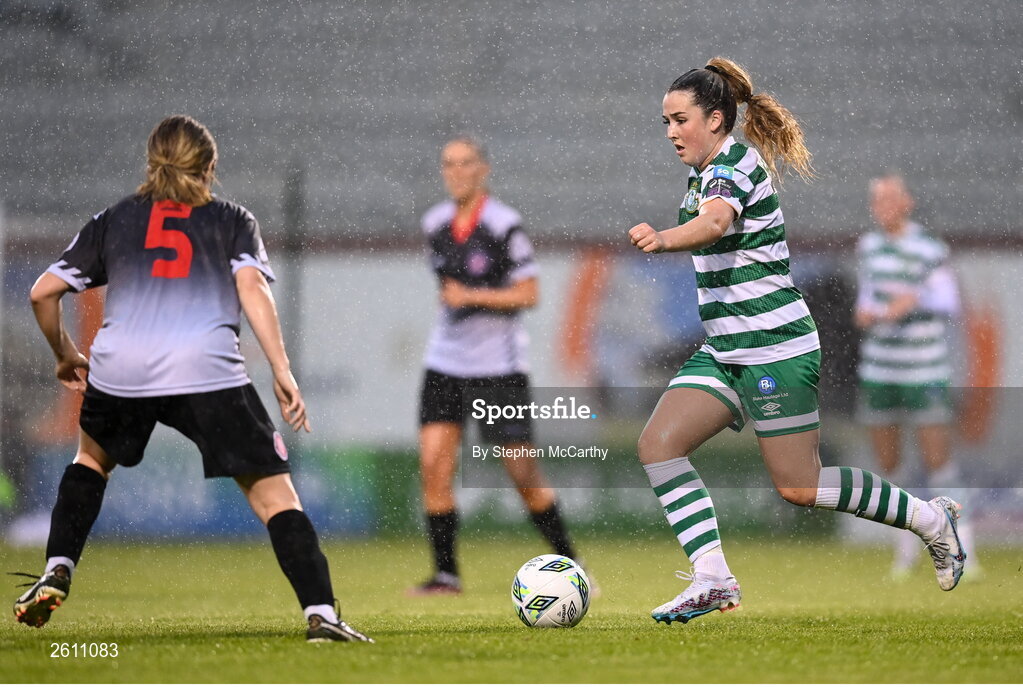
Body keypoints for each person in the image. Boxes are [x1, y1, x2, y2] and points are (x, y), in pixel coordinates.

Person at [627, 58, 966, 625]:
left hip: (773, 349)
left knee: (800, 487)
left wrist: (663, 239)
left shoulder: (732, 164)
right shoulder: (706, 168)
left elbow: (713, 225)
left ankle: (930, 520)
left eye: (679, 120)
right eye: (664, 122)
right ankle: (712, 578)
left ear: (716, 118)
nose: (671, 133)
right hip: (727, 350)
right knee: (658, 446)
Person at [12, 115, 372, 643]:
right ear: (210, 167)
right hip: (206, 370)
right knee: (276, 498)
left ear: (151, 162)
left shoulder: (114, 219)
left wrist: (66, 353)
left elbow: (43, 292)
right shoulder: (230, 219)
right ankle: (321, 614)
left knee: (91, 460)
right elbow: (252, 290)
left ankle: (58, 566)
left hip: (122, 369)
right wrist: (281, 369)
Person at [409, 136, 581, 595]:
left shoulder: (504, 225)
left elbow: (529, 294)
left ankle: (570, 562)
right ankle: (446, 574)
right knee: (433, 465)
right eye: (448, 164)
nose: (456, 172)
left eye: (465, 163)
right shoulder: (434, 224)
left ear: (483, 169)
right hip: (444, 364)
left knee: (522, 472)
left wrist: (474, 296)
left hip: (498, 369)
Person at [855, 173, 977, 579]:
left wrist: (915, 300)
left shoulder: (929, 248)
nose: (883, 207)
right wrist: (867, 312)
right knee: (891, 466)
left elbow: (949, 301)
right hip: (879, 368)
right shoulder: (869, 247)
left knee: (939, 463)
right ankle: (905, 552)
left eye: (890, 198)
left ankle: (965, 549)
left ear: (907, 202)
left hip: (924, 367)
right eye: (877, 200)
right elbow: (867, 299)